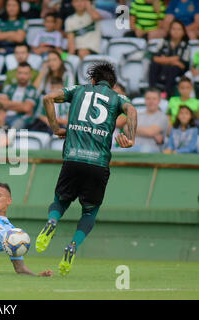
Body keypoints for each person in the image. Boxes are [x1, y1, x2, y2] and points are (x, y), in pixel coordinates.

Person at [35, 61, 137, 276]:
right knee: (90, 210)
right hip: (98, 163)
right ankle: (73, 245)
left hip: (72, 158)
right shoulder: (117, 98)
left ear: (92, 80)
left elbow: (47, 98)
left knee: (60, 200)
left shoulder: (79, 90)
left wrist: (55, 128)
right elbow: (132, 110)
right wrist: (130, 137)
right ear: (112, 84)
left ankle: (52, 222)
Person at [148, 19, 190, 98]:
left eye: (179, 29)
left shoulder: (185, 46)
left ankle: (166, 94)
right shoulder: (163, 42)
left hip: (177, 71)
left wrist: (164, 60)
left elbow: (182, 65)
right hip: (162, 68)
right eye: (173, 29)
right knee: (154, 65)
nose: (176, 31)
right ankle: (152, 91)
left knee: (173, 69)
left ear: (183, 32)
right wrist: (173, 59)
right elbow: (155, 58)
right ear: (170, 30)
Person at [0, 62, 39, 129]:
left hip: (22, 119)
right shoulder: (9, 87)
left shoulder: (33, 90)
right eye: (20, 73)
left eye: (25, 73)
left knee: (14, 129)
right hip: (5, 117)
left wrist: (7, 105)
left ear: (30, 75)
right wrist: (21, 104)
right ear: (16, 74)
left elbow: (26, 108)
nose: (22, 76)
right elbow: (0, 103)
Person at [128, 88, 170, 153]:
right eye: (148, 98)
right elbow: (126, 129)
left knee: (144, 150)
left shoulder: (163, 117)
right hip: (132, 146)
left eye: (154, 99)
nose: (151, 101)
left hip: (151, 149)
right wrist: (150, 133)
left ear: (159, 101)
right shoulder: (138, 115)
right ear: (145, 100)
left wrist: (133, 129)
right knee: (115, 152)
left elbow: (150, 132)